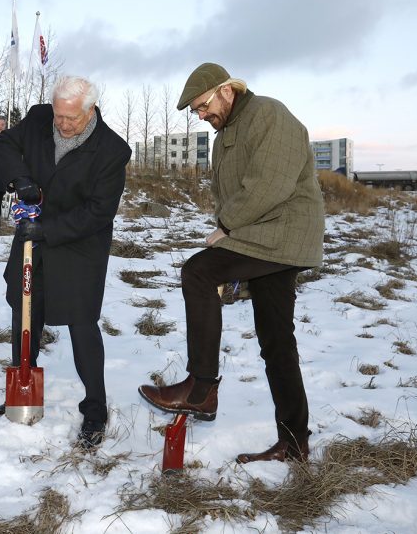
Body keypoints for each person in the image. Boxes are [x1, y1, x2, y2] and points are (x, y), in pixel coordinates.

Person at [138, 63, 325, 464]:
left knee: (198, 272)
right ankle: (294, 443)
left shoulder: (269, 115)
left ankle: (201, 388)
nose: (201, 116)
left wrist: (226, 228)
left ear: (226, 90)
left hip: (281, 233)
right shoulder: (226, 136)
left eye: (202, 106)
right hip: (261, 237)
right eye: (195, 112)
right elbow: (229, 192)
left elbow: (269, 185)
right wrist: (231, 230)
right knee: (277, 341)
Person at [0, 76, 131, 449]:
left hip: (79, 242)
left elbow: (99, 212)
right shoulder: (38, 118)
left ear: (90, 110)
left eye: (71, 119)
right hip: (33, 235)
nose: (62, 124)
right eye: (59, 116)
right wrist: (21, 181)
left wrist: (45, 229)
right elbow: (1, 147)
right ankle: (23, 387)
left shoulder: (112, 150)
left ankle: (95, 407)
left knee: (81, 322)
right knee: (24, 310)